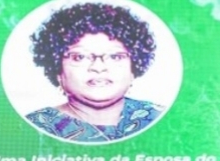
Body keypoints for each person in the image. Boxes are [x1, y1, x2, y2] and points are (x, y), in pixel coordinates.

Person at [26, 2, 165, 142]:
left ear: (134, 67)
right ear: (57, 69)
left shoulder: (160, 118)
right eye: (79, 57)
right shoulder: (33, 127)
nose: (98, 67)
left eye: (115, 57)